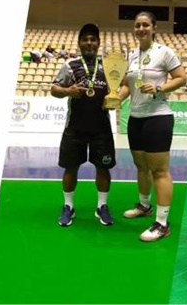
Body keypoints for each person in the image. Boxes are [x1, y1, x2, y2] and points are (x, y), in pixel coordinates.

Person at [118, 11, 187, 242]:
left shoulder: (164, 52)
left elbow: (181, 77)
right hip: (135, 117)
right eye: (137, 25)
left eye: (145, 25)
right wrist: (116, 98)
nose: (141, 28)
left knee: (159, 170)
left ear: (154, 27)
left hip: (158, 117)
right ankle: (144, 205)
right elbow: (127, 85)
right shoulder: (130, 54)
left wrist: (159, 88)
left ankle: (162, 223)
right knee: (141, 166)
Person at [52, 23, 116, 227]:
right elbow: (54, 88)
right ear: (79, 43)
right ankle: (68, 206)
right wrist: (68, 91)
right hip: (75, 128)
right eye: (85, 39)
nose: (89, 42)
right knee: (70, 168)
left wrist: (116, 98)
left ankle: (102, 206)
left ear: (98, 43)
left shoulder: (108, 67)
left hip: (102, 129)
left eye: (93, 39)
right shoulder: (70, 66)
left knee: (103, 168)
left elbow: (120, 87)